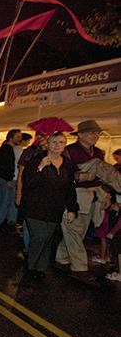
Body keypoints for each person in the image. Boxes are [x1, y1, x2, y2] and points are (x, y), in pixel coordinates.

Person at [54, 120, 110, 287]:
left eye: (97, 133)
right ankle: (79, 267)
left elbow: (103, 175)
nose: (95, 136)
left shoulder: (99, 153)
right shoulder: (69, 151)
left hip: (93, 196)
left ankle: (61, 258)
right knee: (73, 230)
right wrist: (79, 176)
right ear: (80, 135)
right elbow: (60, 174)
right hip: (75, 195)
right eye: (91, 133)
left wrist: (105, 192)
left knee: (77, 231)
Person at [19, 133, 78, 279]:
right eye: (54, 142)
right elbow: (28, 182)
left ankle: (40, 268)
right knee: (40, 237)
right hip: (34, 207)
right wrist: (40, 167)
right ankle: (31, 267)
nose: (58, 145)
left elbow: (70, 188)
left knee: (47, 238)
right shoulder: (36, 161)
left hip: (54, 208)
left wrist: (72, 208)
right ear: (48, 145)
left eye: (61, 142)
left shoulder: (67, 165)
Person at [0, 129, 23, 231]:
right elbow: (7, 165)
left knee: (1, 199)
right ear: (11, 137)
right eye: (18, 137)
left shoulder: (5, 148)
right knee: (5, 201)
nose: (20, 139)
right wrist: (9, 178)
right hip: (5, 178)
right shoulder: (8, 149)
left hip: (1, 177)